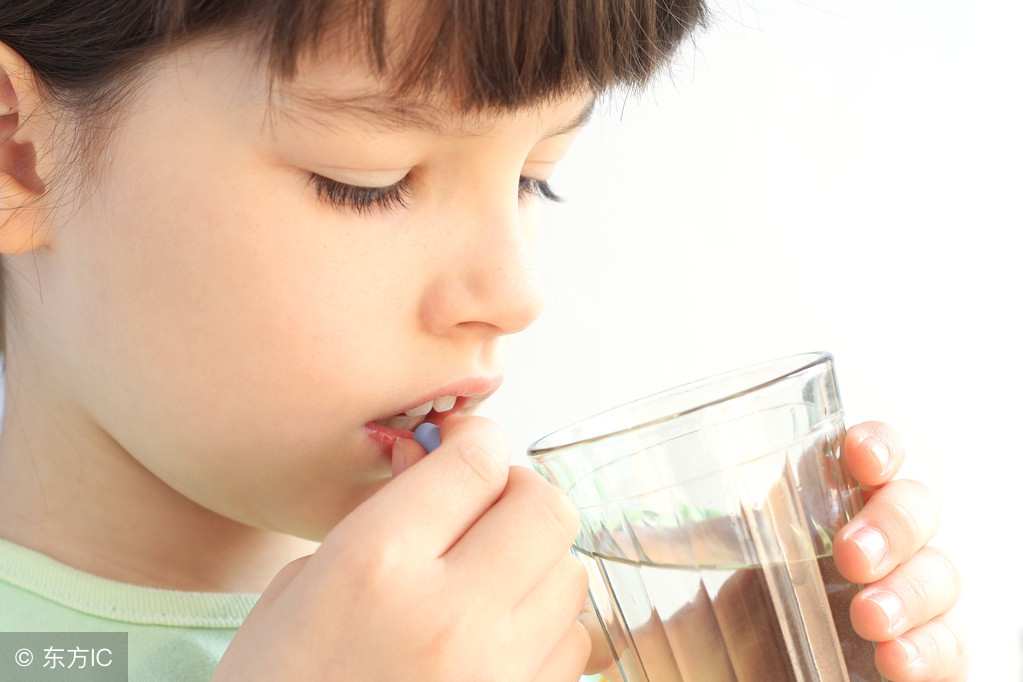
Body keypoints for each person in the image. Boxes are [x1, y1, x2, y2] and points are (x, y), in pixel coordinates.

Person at [0, 1, 966, 680]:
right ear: (18, 153)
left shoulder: (525, 643)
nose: (513, 293)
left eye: (533, 178)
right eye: (366, 181)